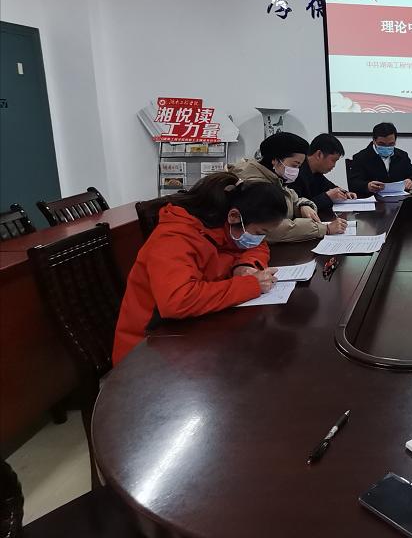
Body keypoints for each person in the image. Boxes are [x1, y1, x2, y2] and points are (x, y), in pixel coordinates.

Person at [112, 172, 287, 364]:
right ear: (234, 216)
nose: (259, 239)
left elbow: (258, 247)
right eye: (260, 232)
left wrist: (245, 265)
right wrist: (250, 285)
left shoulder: (223, 226)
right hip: (147, 349)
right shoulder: (174, 237)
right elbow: (178, 300)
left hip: (191, 331)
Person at [231, 132, 346, 242]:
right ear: (275, 160)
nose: (297, 171)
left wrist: (302, 205)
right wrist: (324, 229)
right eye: (295, 165)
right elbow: (271, 227)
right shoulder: (256, 184)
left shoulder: (274, 177)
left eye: (299, 166)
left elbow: (292, 197)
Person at [346, 122, 412, 197]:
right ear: (374, 140)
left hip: (399, 199)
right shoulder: (361, 157)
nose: (386, 147)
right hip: (374, 200)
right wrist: (367, 186)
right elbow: (353, 184)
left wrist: (411, 181)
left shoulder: (402, 156)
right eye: (381, 144)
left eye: (391, 144)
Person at [289, 133, 356, 215]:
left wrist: (345, 193)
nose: (334, 165)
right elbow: (296, 208)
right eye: (333, 160)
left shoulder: (316, 172)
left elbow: (330, 187)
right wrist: (327, 196)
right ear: (319, 154)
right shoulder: (295, 173)